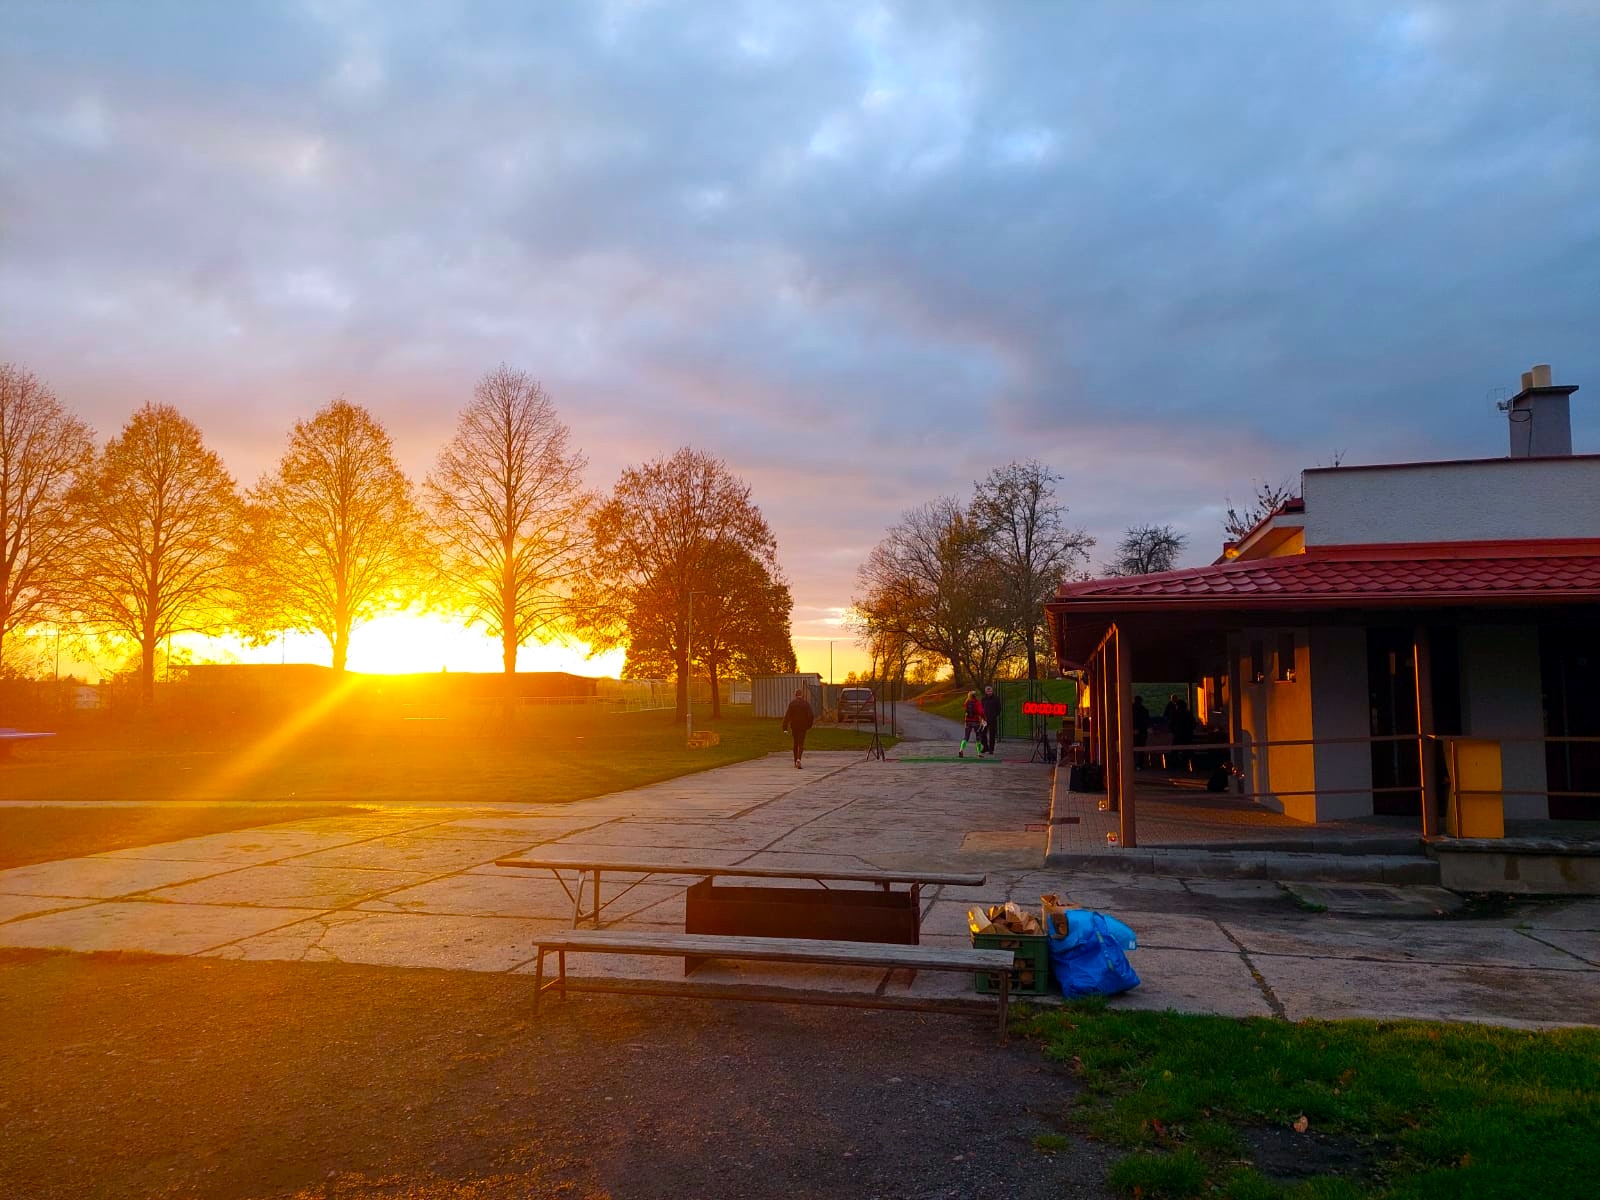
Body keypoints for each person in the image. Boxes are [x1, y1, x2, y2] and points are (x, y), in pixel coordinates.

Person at [781, 687, 815, 769]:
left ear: (795, 695)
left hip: (794, 726)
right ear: (802, 695)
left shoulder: (792, 704)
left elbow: (787, 716)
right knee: (801, 743)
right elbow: (811, 715)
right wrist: (809, 725)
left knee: (795, 743)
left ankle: (795, 760)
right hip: (803, 726)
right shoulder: (806, 704)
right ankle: (799, 759)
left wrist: (785, 727)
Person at [959, 690, 983, 758]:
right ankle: (979, 753)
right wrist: (984, 718)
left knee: (966, 737)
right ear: (975, 696)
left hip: (968, 721)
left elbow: (965, 708)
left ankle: (961, 750)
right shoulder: (977, 702)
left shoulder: (967, 702)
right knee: (978, 737)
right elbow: (981, 711)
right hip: (976, 722)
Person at [1131, 695, 1150, 767]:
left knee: (1132, 749)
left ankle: (1132, 764)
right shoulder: (1144, 710)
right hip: (1142, 732)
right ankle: (1140, 764)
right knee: (1141, 748)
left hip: (1131, 732)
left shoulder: (1130, 709)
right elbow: (1146, 722)